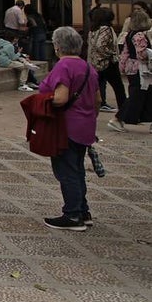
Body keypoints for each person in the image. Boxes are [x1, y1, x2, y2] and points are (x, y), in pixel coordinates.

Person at [37, 27, 99, 230]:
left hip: (66, 126)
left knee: (66, 171)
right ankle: (83, 210)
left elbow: (61, 98)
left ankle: (72, 215)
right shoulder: (87, 67)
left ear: (57, 46)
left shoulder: (63, 67)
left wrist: (42, 101)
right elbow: (97, 99)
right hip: (85, 126)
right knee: (78, 169)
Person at [110, 7, 152, 134]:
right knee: (138, 95)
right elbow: (142, 54)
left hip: (131, 68)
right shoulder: (140, 35)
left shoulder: (129, 34)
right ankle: (118, 119)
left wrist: (122, 67)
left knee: (143, 94)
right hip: (141, 69)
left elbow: (125, 53)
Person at [88, 8, 126, 113]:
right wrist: (112, 54)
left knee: (96, 86)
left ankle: (94, 105)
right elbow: (100, 46)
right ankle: (123, 110)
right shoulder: (106, 29)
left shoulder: (93, 29)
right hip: (108, 63)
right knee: (118, 87)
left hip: (96, 63)